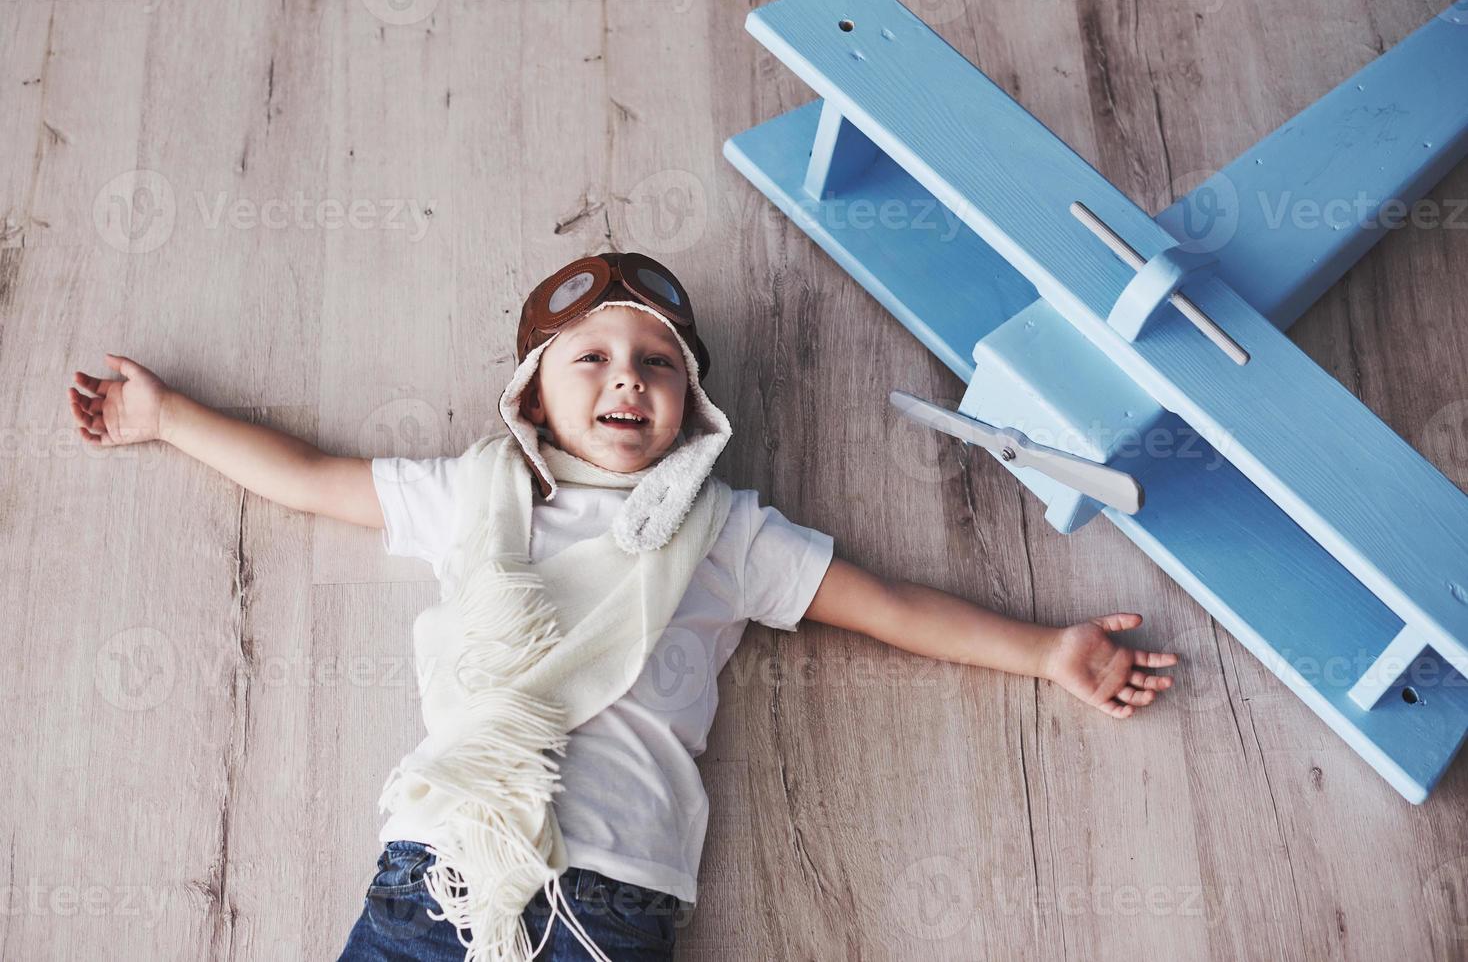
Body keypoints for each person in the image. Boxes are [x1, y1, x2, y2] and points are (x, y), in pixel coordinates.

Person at [66, 251, 1179, 962]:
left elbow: (883, 603)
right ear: (532, 397)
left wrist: (1043, 651)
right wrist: (169, 419)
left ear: (691, 403)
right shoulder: (475, 495)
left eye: (657, 361)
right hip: (440, 864)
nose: (626, 378)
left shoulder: (724, 528)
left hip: (611, 894)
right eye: (589, 356)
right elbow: (312, 476)